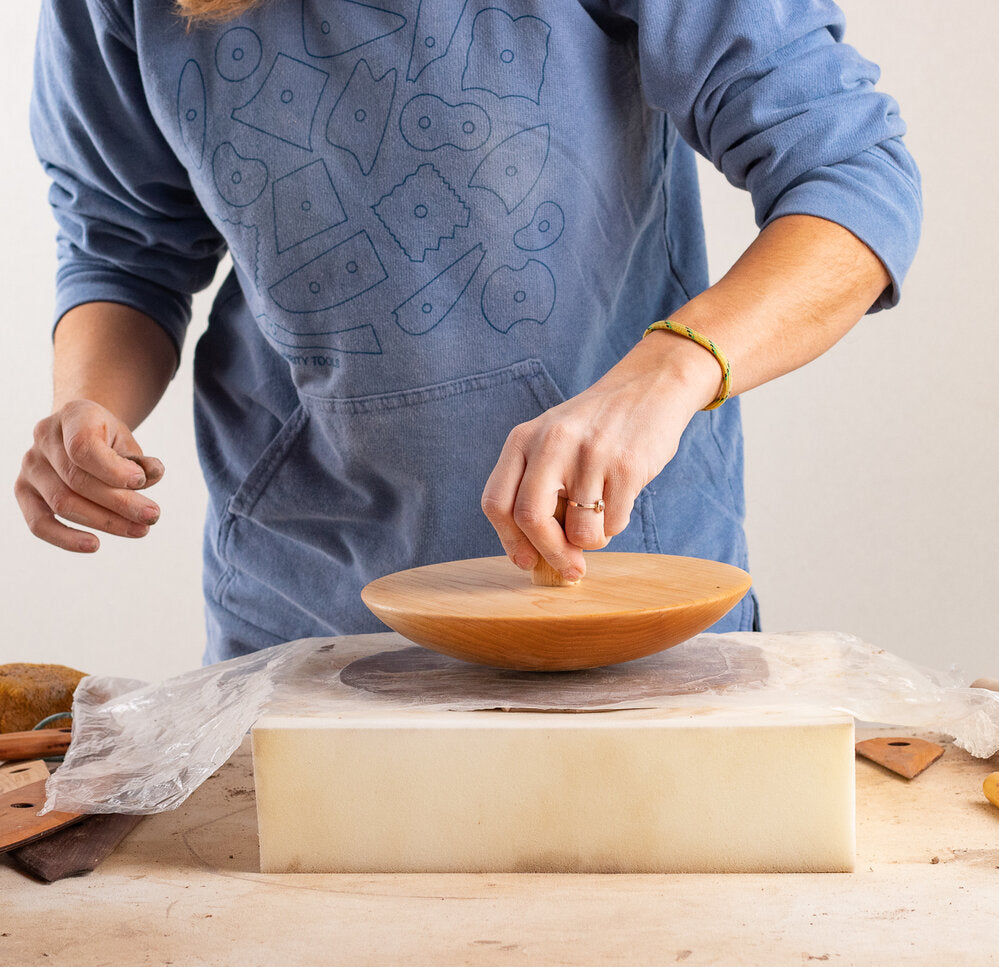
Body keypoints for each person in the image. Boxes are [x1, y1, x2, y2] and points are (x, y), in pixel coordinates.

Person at [15, 0, 921, 663]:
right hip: (300, 629)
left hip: (625, 605)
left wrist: (668, 374)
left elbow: (851, 178)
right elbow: (125, 246)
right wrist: (87, 405)